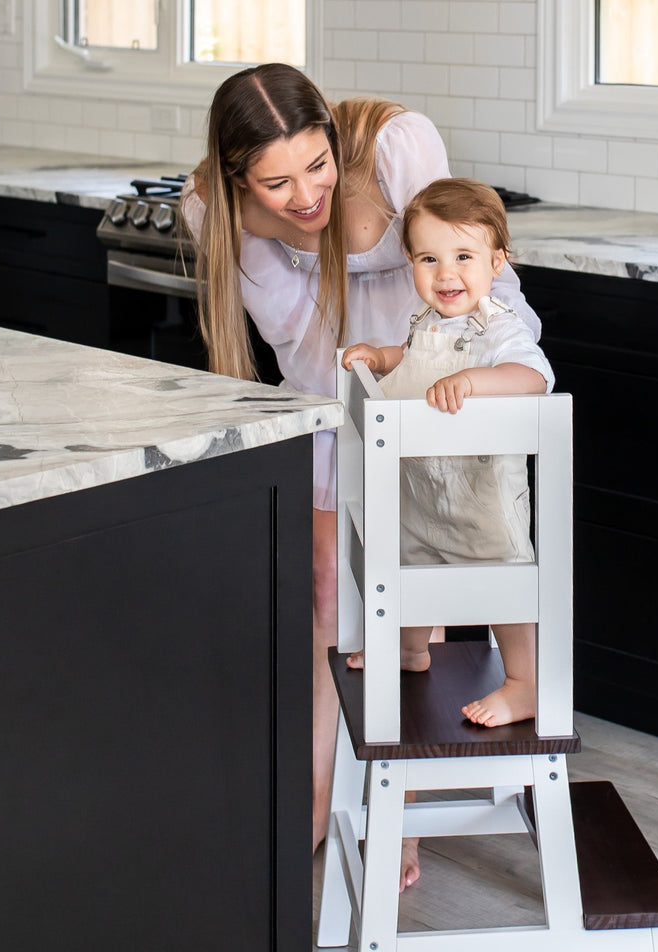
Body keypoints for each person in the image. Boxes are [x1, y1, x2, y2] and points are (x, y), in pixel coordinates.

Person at [180, 64, 541, 890]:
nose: (305, 194)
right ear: (240, 177)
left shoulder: (396, 148)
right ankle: (320, 800)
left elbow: (478, 276)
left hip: (432, 403)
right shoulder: (216, 209)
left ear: (335, 141)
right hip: (331, 404)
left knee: (418, 609)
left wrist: (501, 377)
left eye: (317, 165)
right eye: (275, 182)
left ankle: (398, 805)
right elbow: (297, 339)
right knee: (331, 611)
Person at [341, 177, 554, 729]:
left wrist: (478, 380)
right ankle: (410, 650)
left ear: (496, 263)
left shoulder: (499, 331)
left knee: (499, 583)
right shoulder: (426, 322)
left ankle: (524, 684)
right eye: (428, 258)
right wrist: (384, 359)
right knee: (410, 564)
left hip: (479, 499)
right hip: (422, 488)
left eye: (464, 256)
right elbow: (415, 359)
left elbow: (534, 376)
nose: (446, 274)